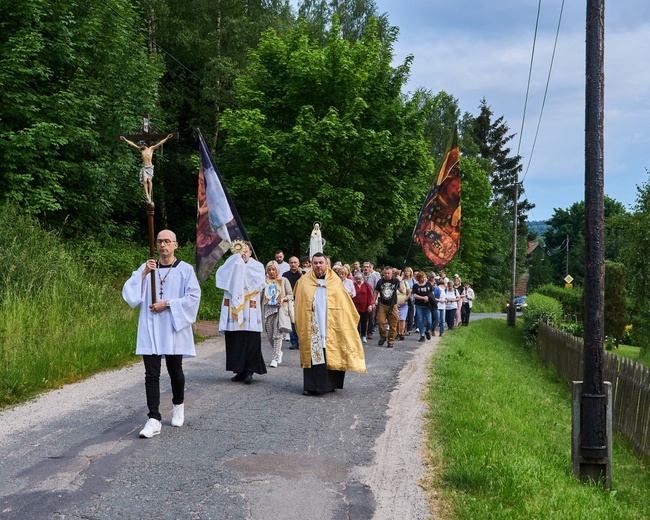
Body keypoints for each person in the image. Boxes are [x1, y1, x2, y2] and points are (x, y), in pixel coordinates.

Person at [122, 229, 201, 438]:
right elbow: (131, 296)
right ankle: (154, 418)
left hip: (173, 327)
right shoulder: (148, 268)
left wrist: (167, 304)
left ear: (175, 245)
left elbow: (193, 297)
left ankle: (178, 404)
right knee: (151, 373)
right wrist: (143, 274)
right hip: (150, 327)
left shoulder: (185, 270)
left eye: (167, 241)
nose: (163, 245)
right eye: (159, 242)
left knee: (175, 370)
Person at [294, 253, 366, 395]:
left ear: (327, 264)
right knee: (314, 352)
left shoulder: (335, 281)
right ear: (311, 264)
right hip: (313, 324)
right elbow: (299, 304)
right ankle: (312, 386)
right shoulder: (304, 281)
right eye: (315, 263)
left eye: (321, 262)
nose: (318, 266)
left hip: (331, 323)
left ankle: (331, 384)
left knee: (331, 351)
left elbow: (344, 304)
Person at [216, 240, 267, 383]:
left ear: (250, 252)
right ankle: (238, 370)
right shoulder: (231, 264)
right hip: (234, 309)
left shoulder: (257, 266)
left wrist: (240, 268)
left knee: (250, 340)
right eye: (241, 251)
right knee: (235, 339)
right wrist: (236, 264)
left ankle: (249, 371)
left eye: (246, 251)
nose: (243, 254)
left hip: (249, 310)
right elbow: (221, 277)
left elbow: (257, 283)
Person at [120, 133, 174, 203]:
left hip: (150, 167)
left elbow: (159, 143)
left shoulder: (151, 149)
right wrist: (125, 139)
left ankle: (149, 195)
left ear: (144, 144)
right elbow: (132, 144)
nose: (140, 146)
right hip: (145, 167)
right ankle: (147, 196)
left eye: (141, 145)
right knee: (145, 181)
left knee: (149, 181)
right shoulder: (141, 150)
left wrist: (167, 138)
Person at [263, 261, 293, 367]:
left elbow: (291, 294)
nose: (271, 272)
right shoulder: (265, 281)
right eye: (269, 269)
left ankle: (275, 358)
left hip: (280, 310)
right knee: (270, 336)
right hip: (267, 310)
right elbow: (261, 294)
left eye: (273, 269)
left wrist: (284, 298)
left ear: (277, 270)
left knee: (277, 335)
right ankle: (278, 351)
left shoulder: (283, 280)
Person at [373, 266, 406, 348]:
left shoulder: (395, 281)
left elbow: (402, 291)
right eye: (385, 273)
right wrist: (373, 302)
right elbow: (376, 291)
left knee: (393, 324)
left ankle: (391, 340)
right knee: (380, 322)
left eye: (388, 273)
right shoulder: (380, 281)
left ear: (392, 274)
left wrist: (400, 281)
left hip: (393, 305)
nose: (386, 275)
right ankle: (383, 337)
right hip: (383, 305)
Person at [283, 256, 303, 349]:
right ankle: (294, 342)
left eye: (295, 262)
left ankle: (302, 342)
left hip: (302, 300)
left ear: (298, 263)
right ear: (289, 264)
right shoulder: (285, 275)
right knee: (292, 321)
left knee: (302, 322)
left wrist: (301, 274)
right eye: (291, 262)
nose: (293, 264)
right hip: (290, 300)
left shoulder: (303, 274)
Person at [352, 272, 374, 343]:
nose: (358, 280)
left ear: (362, 279)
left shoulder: (366, 285)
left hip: (364, 307)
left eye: (360, 279)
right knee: (356, 322)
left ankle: (364, 336)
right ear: (355, 279)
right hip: (355, 307)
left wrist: (370, 305)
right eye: (357, 279)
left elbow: (369, 296)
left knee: (364, 322)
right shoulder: (353, 285)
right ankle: (357, 335)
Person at [412, 271, 433, 342]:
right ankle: (422, 335)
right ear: (418, 278)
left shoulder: (428, 284)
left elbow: (431, 293)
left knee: (429, 321)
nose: (422, 279)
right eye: (421, 278)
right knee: (420, 320)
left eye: (423, 277)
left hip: (427, 305)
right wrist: (423, 298)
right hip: (419, 305)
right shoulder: (415, 286)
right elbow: (414, 295)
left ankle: (427, 331)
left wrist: (428, 297)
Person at [362, 262, 381, 339]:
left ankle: (369, 332)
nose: (366, 268)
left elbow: (376, 289)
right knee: (362, 317)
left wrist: (375, 300)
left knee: (371, 317)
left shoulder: (374, 277)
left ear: (370, 268)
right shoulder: (360, 276)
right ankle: (362, 333)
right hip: (362, 299)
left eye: (367, 267)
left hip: (371, 298)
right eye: (364, 267)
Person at [394, 269, 410, 341]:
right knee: (397, 319)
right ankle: (398, 332)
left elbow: (408, 293)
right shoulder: (394, 283)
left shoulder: (406, 283)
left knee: (402, 319)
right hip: (395, 304)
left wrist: (405, 300)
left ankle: (401, 333)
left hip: (404, 304)